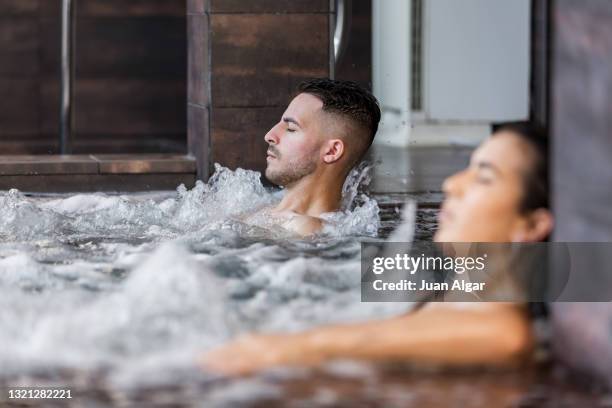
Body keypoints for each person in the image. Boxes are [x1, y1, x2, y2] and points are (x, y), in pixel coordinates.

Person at [201, 122, 554, 375]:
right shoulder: (453, 301)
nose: (452, 183)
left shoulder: (496, 334)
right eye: (468, 168)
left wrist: (266, 349)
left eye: (484, 177)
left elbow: (291, 352)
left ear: (532, 225)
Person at [245, 78, 381, 236]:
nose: (269, 135)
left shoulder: (307, 229)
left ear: (332, 151)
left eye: (290, 128)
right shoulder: (261, 209)